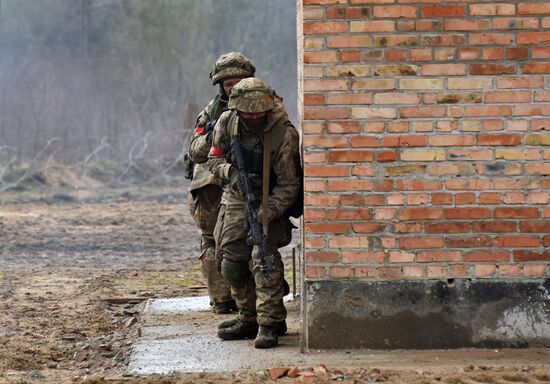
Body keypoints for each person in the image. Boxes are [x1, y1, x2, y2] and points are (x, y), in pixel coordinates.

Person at [207, 77, 301, 348]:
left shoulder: (283, 133)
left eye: (258, 111)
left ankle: (270, 323)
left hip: (271, 199)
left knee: (263, 259)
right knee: (231, 262)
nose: (253, 116)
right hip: (237, 195)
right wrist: (230, 173)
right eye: (247, 111)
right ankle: (247, 317)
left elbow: (289, 184)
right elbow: (214, 159)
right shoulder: (227, 122)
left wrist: (268, 211)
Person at [186, 52, 255, 314]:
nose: (235, 88)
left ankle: (250, 298)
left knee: (250, 239)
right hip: (213, 183)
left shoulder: (265, 104)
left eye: (239, 81)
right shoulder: (213, 111)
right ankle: (222, 298)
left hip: (247, 179)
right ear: (221, 86)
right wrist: (217, 137)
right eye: (229, 85)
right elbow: (194, 149)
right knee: (211, 240)